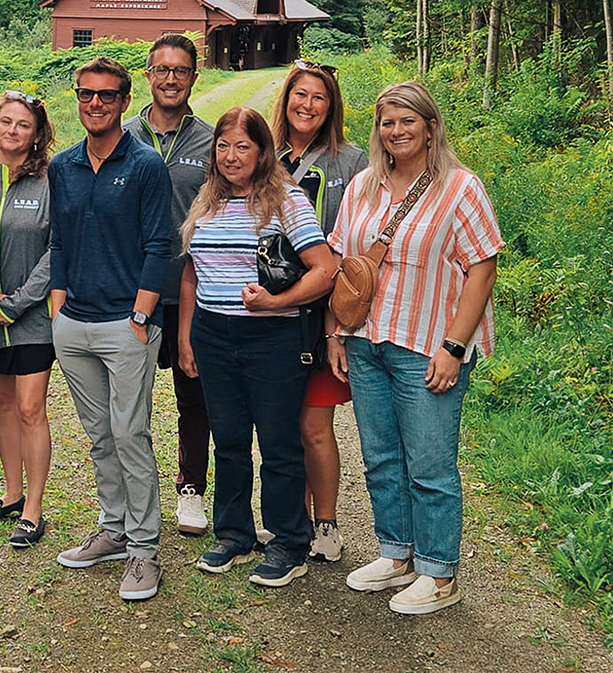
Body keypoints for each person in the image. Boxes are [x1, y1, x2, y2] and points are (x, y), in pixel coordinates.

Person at [328, 82, 502, 614]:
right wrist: (336, 332)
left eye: (408, 121)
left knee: (429, 464)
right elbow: (344, 265)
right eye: (387, 122)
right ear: (377, 130)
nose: (397, 131)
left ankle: (439, 573)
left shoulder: (460, 188)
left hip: (427, 345)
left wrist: (454, 346)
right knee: (380, 457)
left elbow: (482, 267)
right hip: (366, 343)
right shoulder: (362, 186)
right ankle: (396, 553)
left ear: (430, 127)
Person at [178, 106, 334, 588]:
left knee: (278, 443)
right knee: (227, 439)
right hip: (213, 335)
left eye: (242, 146)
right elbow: (191, 271)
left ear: (263, 151)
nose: (231, 155)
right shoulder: (207, 200)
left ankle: (289, 542)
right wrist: (186, 335)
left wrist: (275, 301)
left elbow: (325, 269)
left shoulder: (286, 201)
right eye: (223, 145)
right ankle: (234, 534)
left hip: (273, 339)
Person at [49, 57, 173, 601]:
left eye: (106, 95)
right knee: (100, 435)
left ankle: (145, 551)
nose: (95, 103)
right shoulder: (63, 165)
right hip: (74, 324)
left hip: (128, 325)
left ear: (125, 101)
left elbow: (160, 245)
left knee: (130, 434)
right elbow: (59, 239)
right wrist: (57, 304)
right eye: (86, 94)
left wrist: (143, 315)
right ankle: (115, 529)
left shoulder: (146, 164)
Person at [269, 59, 368, 561]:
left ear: (331, 108)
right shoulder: (267, 157)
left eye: (319, 98)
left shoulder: (350, 162)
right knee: (281, 423)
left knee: (313, 423)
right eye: (300, 95)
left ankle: (325, 522)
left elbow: (359, 241)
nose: (307, 105)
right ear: (286, 99)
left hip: (326, 314)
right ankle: (293, 519)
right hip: (274, 311)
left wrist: (338, 324)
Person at [122, 34, 215, 537]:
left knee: (192, 395)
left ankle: (190, 490)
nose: (171, 78)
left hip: (192, 291)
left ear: (194, 78)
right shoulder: (122, 136)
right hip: (133, 290)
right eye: (162, 69)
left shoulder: (209, 140)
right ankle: (133, 497)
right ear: (149, 75)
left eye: (181, 70)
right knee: (129, 401)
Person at [0, 90, 56, 547]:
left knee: (29, 408)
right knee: (3, 407)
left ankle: (34, 509)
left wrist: (18, 301)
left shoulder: (50, 181)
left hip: (32, 317)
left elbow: (55, 250)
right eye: (6, 121)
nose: (13, 131)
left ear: (37, 133)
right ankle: (10, 493)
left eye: (23, 124)